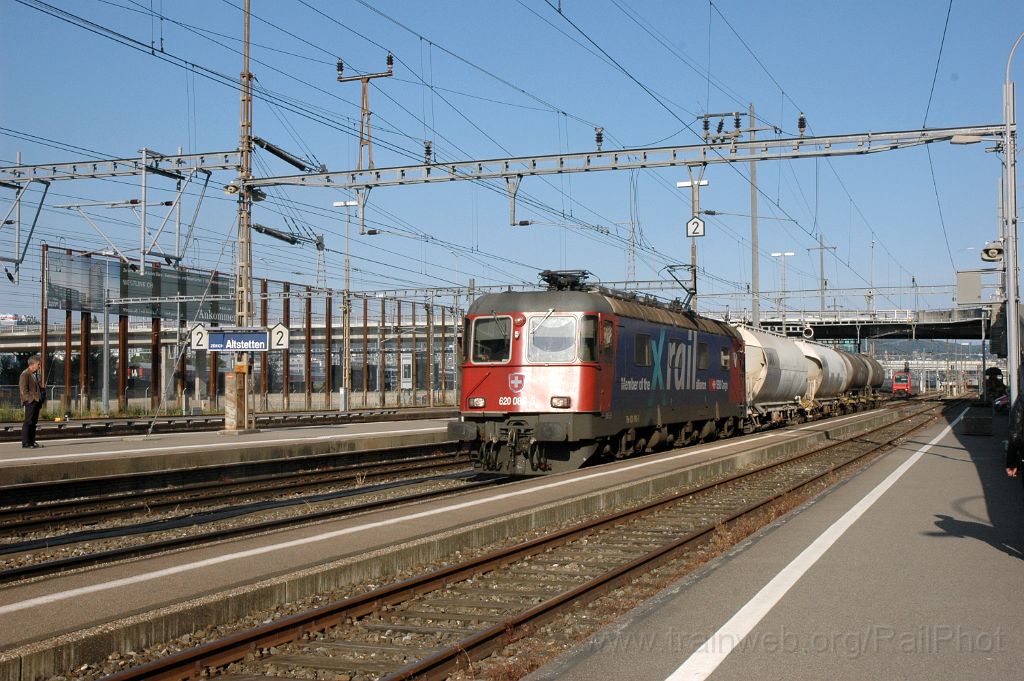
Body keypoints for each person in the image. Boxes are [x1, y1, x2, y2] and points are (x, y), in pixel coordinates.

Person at [19, 354, 44, 449]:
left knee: (33, 423)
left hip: (36, 402)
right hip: (30, 402)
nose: (39, 366)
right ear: (32, 364)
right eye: (38, 364)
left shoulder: (33, 375)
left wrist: (41, 389)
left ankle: (31, 441)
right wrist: (31, 400)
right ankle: (25, 443)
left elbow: (33, 388)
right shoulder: (25, 374)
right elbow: (23, 390)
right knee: (28, 422)